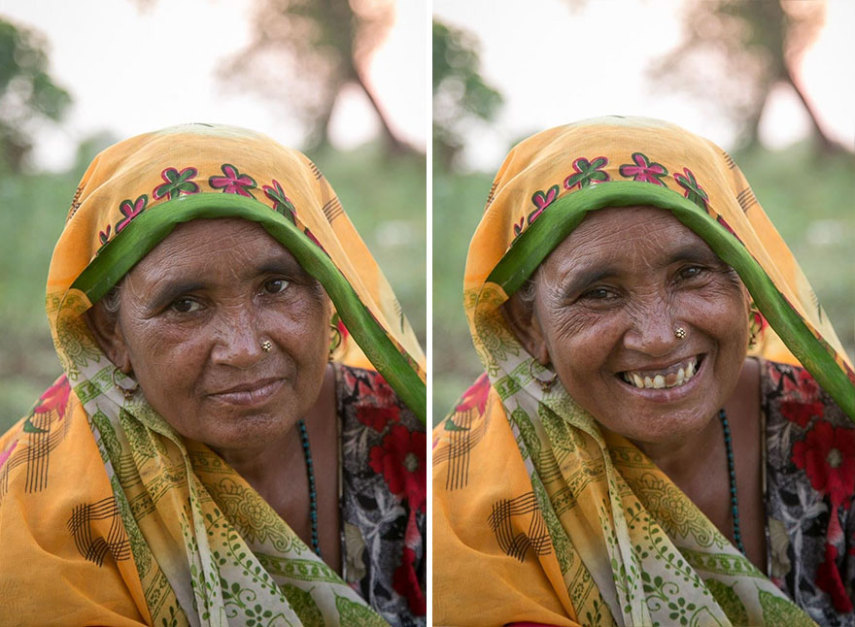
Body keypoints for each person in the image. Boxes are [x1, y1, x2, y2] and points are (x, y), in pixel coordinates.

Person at [433, 116, 855, 626]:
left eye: (691, 274)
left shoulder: (833, 428)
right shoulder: (457, 510)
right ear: (528, 327)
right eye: (599, 293)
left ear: (748, 285)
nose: (657, 336)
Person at [0, 124, 426, 626]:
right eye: (184, 304)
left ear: (331, 296)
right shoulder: (35, 507)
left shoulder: (402, 435)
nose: (244, 350)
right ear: (109, 333)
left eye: (276, 285)